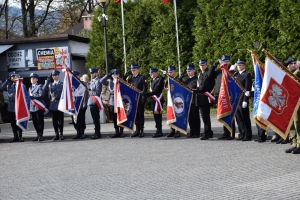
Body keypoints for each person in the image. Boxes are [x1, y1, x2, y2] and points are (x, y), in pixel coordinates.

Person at [194, 59, 217, 140]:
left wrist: (213, 65)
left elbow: (205, 84)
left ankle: (207, 132)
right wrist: (196, 89)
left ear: (206, 65)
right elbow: (199, 85)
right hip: (200, 98)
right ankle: (209, 132)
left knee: (205, 117)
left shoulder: (208, 73)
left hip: (205, 98)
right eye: (200, 65)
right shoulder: (200, 74)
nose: (202, 66)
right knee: (204, 117)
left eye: (203, 65)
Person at [215, 55, 236, 140]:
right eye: (223, 61)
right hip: (221, 95)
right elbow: (212, 76)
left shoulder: (232, 70)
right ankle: (226, 133)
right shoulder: (219, 71)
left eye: (226, 61)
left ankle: (232, 133)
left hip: (229, 96)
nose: (225, 63)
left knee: (231, 114)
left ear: (229, 62)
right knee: (223, 113)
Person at [141, 68, 166, 138]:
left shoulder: (158, 80)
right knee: (156, 116)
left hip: (158, 100)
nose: (150, 75)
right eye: (150, 74)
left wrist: (146, 94)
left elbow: (156, 90)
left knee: (158, 116)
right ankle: (158, 130)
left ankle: (159, 131)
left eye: (151, 73)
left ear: (155, 73)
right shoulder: (153, 80)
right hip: (154, 100)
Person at [124, 64, 147, 138]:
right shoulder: (130, 78)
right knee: (135, 116)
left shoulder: (142, 77)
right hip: (133, 100)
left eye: (134, 70)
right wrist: (125, 76)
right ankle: (137, 130)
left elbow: (144, 89)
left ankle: (141, 131)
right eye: (132, 70)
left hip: (139, 99)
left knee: (140, 116)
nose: (132, 72)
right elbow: (123, 83)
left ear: (137, 70)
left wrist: (143, 99)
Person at [0, 72, 24, 142]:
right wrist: (7, 80)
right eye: (12, 77)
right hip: (11, 105)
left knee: (19, 121)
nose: (14, 78)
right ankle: (15, 136)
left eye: (15, 77)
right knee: (13, 122)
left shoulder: (20, 85)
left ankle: (20, 136)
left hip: (18, 104)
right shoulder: (8, 85)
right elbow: (1, 88)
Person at [233, 58, 253, 141]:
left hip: (242, 99)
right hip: (236, 100)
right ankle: (242, 133)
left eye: (240, 65)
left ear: (244, 66)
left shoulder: (247, 74)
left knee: (245, 118)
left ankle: (248, 134)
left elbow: (247, 88)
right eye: (238, 65)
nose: (239, 66)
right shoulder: (236, 75)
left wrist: (245, 100)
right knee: (238, 118)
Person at [88, 68, 110, 139]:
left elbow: (97, 92)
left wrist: (90, 92)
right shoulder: (92, 81)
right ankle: (96, 132)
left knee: (96, 119)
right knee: (94, 119)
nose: (91, 75)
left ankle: (98, 133)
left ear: (95, 73)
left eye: (92, 73)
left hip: (95, 102)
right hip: (91, 102)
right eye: (91, 73)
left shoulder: (98, 81)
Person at [179, 65, 200, 138]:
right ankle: (192, 131)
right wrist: (180, 77)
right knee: (190, 117)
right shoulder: (185, 79)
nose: (189, 73)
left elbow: (198, 88)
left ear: (194, 71)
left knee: (195, 116)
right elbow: (180, 84)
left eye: (190, 71)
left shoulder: (197, 78)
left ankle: (197, 132)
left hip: (194, 100)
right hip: (187, 100)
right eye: (188, 71)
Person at [43, 70, 64, 140]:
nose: (54, 77)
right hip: (53, 103)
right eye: (53, 76)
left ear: (58, 76)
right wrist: (47, 80)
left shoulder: (62, 84)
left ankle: (61, 134)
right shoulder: (50, 84)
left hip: (60, 103)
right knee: (54, 120)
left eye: (55, 75)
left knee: (61, 119)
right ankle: (56, 134)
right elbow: (44, 88)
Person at [286, 68, 300, 154]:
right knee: (291, 124)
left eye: (295, 63)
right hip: (291, 102)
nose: (293, 65)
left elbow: (293, 77)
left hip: (297, 102)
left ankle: (299, 144)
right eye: (291, 64)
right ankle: (294, 143)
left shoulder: (297, 73)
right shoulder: (286, 73)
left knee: (297, 123)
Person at [107, 69, 125, 138]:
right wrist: (108, 75)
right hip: (112, 101)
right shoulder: (111, 82)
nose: (116, 76)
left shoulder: (121, 82)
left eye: (117, 74)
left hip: (119, 101)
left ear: (119, 75)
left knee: (120, 116)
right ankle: (116, 131)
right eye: (114, 75)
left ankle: (121, 131)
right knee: (114, 118)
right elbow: (101, 81)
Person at [165, 66, 181, 138]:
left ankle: (178, 130)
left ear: (175, 72)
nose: (170, 73)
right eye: (169, 72)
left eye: (171, 72)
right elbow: (166, 89)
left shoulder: (178, 79)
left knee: (177, 115)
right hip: (170, 100)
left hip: (177, 100)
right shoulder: (168, 80)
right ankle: (172, 130)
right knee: (171, 115)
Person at [72, 71, 89, 139]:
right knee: (75, 120)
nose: (75, 77)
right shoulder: (71, 84)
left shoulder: (83, 84)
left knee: (81, 119)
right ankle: (78, 132)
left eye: (76, 76)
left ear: (78, 76)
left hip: (81, 105)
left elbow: (86, 94)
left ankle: (82, 133)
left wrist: (85, 104)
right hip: (73, 105)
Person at [29, 73, 46, 141]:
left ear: (37, 79)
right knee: (35, 122)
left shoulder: (40, 86)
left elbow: (41, 95)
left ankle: (41, 135)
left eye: (33, 78)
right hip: (32, 107)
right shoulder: (30, 88)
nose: (32, 79)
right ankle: (38, 134)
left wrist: (33, 97)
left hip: (38, 106)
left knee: (40, 121)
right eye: (31, 78)